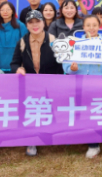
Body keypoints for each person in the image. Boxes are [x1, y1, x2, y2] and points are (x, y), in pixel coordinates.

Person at [64, 15, 102, 159]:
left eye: (94, 25)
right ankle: (79, 137)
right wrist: (72, 69)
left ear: (99, 26)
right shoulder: (75, 44)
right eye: (88, 25)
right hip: (79, 84)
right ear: (83, 27)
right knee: (80, 112)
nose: (91, 28)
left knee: (95, 113)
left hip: (98, 85)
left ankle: (94, 144)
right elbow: (66, 64)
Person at [13, 10, 65, 156]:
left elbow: (61, 63)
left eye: (38, 21)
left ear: (43, 23)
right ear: (27, 25)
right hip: (31, 85)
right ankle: (32, 141)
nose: (35, 25)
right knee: (32, 112)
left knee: (52, 111)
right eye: (31, 22)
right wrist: (18, 69)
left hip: (51, 84)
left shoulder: (54, 40)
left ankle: (55, 135)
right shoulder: (22, 42)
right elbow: (14, 63)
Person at [0, 2, 28, 73]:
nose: (5, 12)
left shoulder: (21, 26)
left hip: (17, 68)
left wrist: (22, 64)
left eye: (8, 9)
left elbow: (26, 46)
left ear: (13, 11)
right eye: (2, 10)